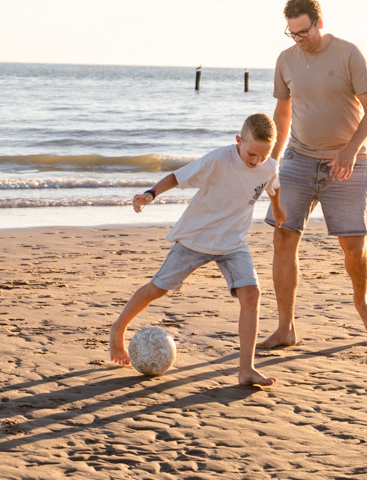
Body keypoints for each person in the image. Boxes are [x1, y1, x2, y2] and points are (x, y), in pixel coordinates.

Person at [108, 113, 281, 388]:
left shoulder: (268, 165)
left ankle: (246, 368)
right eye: (251, 153)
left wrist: (279, 209)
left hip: (234, 243)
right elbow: (177, 177)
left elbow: (273, 186)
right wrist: (150, 194)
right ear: (238, 141)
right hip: (195, 239)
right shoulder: (217, 160)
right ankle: (118, 327)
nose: (256, 161)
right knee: (158, 288)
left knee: (252, 294)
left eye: (263, 155)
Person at [260, 0, 367, 345]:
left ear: (319, 22)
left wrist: (350, 150)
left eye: (305, 32)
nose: (300, 40)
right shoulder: (285, 60)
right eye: (293, 33)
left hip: (346, 162)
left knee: (353, 247)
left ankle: (361, 303)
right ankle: (285, 329)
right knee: (283, 238)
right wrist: (273, 158)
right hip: (299, 160)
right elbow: (282, 114)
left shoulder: (348, 54)